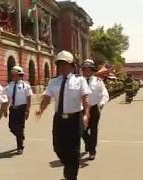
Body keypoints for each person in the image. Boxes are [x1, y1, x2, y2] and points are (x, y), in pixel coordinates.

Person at [35, 51, 91, 180]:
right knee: (58, 147)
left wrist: (86, 115)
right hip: (59, 119)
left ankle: (71, 175)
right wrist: (41, 110)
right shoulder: (54, 81)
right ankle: (70, 166)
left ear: (72, 66)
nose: (62, 68)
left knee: (73, 149)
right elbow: (47, 98)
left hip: (75, 118)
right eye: (59, 65)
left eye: (65, 65)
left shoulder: (79, 80)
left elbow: (85, 98)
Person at [81, 59, 109, 160]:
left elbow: (104, 94)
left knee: (93, 130)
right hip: (82, 110)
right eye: (85, 69)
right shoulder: (78, 81)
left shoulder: (98, 81)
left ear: (92, 70)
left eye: (89, 69)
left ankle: (92, 151)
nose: (86, 71)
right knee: (82, 130)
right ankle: (89, 144)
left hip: (94, 108)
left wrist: (101, 103)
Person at [5, 66, 33, 155]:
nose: (13, 76)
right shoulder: (9, 86)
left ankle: (19, 147)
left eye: (15, 75)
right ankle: (20, 136)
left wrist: (27, 110)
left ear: (20, 75)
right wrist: (5, 109)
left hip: (21, 109)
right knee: (11, 127)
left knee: (20, 128)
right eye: (12, 75)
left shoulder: (26, 86)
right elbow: (7, 99)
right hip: (13, 109)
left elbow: (28, 99)